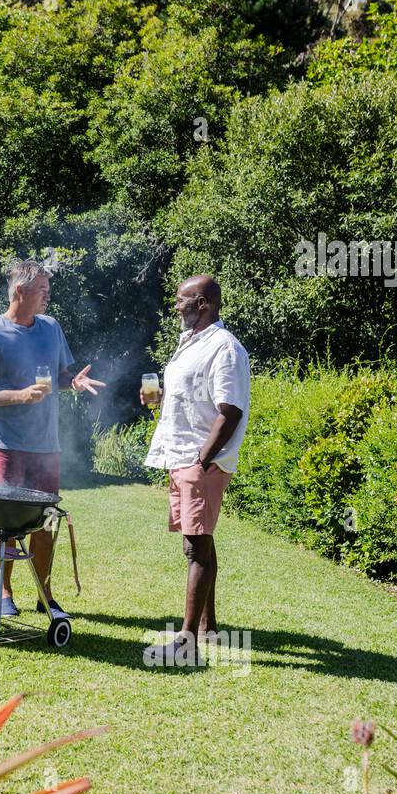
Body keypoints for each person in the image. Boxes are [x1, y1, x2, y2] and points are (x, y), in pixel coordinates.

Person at [0, 260, 106, 621]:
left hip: (47, 445)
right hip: (6, 442)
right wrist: (17, 396)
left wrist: (72, 382)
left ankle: (45, 594)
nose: (48, 296)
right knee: (7, 523)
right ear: (19, 292)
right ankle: (5, 591)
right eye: (42, 290)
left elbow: (59, 375)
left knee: (46, 521)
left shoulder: (51, 328)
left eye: (48, 290)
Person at [141, 274, 250, 666]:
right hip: (183, 454)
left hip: (200, 459)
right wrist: (161, 399)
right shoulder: (191, 343)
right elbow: (193, 396)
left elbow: (230, 410)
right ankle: (208, 626)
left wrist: (203, 460)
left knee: (196, 547)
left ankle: (186, 642)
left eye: (181, 300)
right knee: (199, 540)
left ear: (202, 303)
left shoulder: (225, 348)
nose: (175, 306)